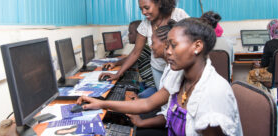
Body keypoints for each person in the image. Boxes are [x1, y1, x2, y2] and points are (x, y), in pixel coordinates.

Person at [77, 18, 242, 136]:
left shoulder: (213, 93)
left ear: (197, 46)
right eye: (167, 45)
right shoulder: (179, 76)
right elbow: (148, 103)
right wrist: (101, 103)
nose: (168, 51)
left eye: (174, 45)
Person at [99, 0, 189, 90]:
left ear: (159, 3)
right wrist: (118, 73)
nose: (143, 12)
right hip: (158, 69)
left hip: (179, 68)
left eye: (146, 8)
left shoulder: (179, 15)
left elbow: (192, 41)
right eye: (141, 9)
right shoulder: (145, 24)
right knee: (163, 99)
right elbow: (136, 52)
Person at [103, 20, 157, 98]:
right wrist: (115, 64)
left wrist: (116, 66)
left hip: (153, 86)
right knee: (125, 85)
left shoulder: (144, 47)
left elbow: (129, 59)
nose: (128, 35)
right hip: (147, 83)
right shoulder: (141, 47)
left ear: (139, 34)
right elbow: (129, 58)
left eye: (130, 33)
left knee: (135, 99)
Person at [247, 19, 278, 94]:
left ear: (272, 30)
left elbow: (264, 65)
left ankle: (260, 102)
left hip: (273, 77)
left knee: (252, 74)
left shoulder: (270, 44)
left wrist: (257, 65)